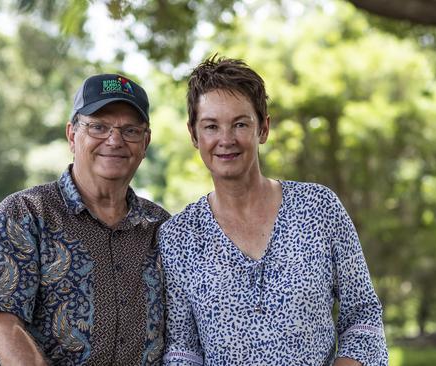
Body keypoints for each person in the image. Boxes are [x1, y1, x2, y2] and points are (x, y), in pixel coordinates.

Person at [158, 57, 388, 365]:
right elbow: (182, 350)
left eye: (240, 124)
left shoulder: (319, 208)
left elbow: (363, 318)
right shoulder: (179, 236)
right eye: (211, 126)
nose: (226, 139)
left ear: (263, 128)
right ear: (194, 135)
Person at [0, 73, 170, 365]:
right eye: (98, 127)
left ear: (145, 142)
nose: (115, 140)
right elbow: (2, 329)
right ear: (72, 135)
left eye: (130, 130)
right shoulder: (25, 214)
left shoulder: (161, 227)